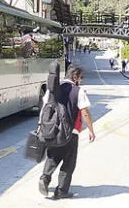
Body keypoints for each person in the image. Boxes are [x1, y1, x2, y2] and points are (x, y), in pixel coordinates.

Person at [39, 66, 96, 199]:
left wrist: (41, 127)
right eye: (80, 77)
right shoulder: (78, 91)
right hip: (71, 132)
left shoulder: (52, 89)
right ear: (75, 77)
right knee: (69, 163)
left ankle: (45, 178)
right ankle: (61, 191)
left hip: (52, 131)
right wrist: (91, 130)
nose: (81, 81)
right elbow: (85, 113)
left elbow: (44, 109)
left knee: (53, 156)